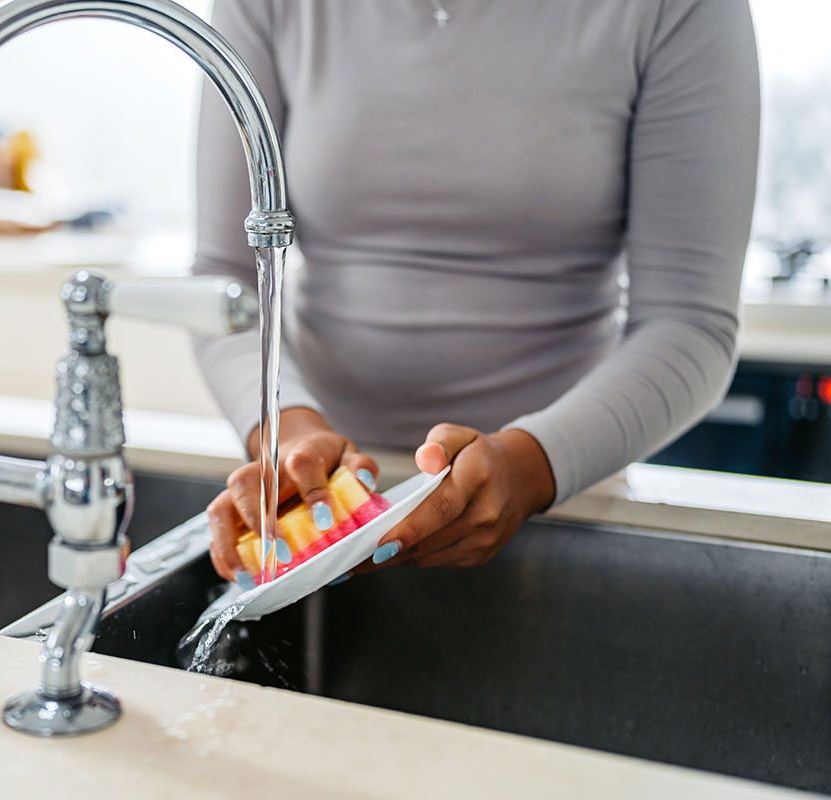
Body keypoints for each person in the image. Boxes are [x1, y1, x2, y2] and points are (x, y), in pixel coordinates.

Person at [193, 0, 760, 586]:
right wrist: (292, 433)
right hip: (320, 508)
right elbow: (225, 282)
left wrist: (530, 465)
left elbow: (690, 322)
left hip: (564, 501)